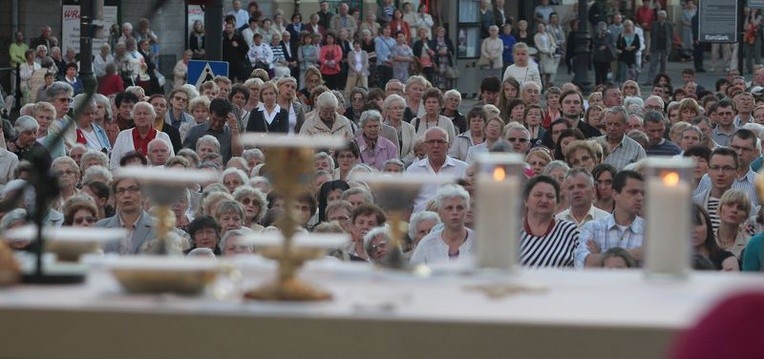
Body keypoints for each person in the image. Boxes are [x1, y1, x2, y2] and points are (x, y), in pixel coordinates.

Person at [575, 170, 645, 268]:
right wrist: (632, 254)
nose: (640, 197)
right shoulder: (593, 228)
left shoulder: (651, 232)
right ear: (615, 194)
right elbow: (582, 264)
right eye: (633, 192)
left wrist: (600, 256)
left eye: (642, 193)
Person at [520, 175, 580, 268]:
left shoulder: (569, 231)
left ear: (557, 203)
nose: (544, 200)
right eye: (538, 195)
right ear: (526, 200)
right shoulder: (511, 231)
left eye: (550, 196)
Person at [406, 127, 469, 212]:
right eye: (431, 142)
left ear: (448, 146)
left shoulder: (463, 168)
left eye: (440, 141)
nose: (436, 145)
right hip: (421, 220)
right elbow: (407, 204)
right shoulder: (413, 170)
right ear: (424, 146)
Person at [410, 185, 474, 265]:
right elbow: (415, 274)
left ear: (466, 211)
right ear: (440, 212)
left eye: (460, 208)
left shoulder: (478, 242)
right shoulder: (426, 244)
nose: (455, 212)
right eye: (449, 208)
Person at [95, 177, 159, 255]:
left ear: (143, 194)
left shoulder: (158, 227)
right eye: (121, 191)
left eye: (132, 189)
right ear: (115, 196)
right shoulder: (100, 228)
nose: (126, 195)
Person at [110, 101, 174, 169]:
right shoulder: (123, 135)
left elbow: (172, 164)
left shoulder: (163, 137)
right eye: (138, 113)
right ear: (133, 117)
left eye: (145, 113)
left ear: (152, 117)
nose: (142, 116)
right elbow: (114, 164)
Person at [183, 98, 243, 164]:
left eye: (221, 122)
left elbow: (238, 155)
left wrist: (234, 129)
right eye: (214, 120)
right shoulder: (194, 131)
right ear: (209, 113)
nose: (217, 124)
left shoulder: (230, 133)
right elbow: (185, 157)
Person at [599, 106, 646, 171]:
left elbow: (643, 174)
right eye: (609, 124)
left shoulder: (636, 149)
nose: (612, 128)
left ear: (626, 125)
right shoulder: (595, 144)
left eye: (617, 124)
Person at [647, 10, 673, 84]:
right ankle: (650, 80)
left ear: (665, 17)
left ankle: (662, 81)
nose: (661, 17)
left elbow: (670, 36)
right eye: (659, 16)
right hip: (656, 46)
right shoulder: (654, 24)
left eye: (662, 16)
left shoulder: (669, 25)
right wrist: (650, 48)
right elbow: (651, 36)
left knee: (663, 65)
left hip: (665, 46)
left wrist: (669, 46)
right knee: (653, 64)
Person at [534, 23, 558, 89]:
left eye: (542, 26)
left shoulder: (548, 35)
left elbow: (553, 44)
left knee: (549, 72)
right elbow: (538, 46)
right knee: (542, 72)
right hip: (542, 55)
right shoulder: (536, 36)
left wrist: (551, 50)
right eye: (539, 27)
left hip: (550, 55)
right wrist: (546, 51)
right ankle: (542, 86)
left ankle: (547, 86)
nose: (541, 28)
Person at [592, 22, 615, 86]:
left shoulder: (609, 35)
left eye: (604, 29)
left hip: (606, 57)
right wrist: (600, 36)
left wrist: (606, 46)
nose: (603, 31)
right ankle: (598, 86)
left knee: (605, 73)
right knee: (598, 74)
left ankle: (604, 86)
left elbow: (612, 44)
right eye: (601, 29)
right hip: (597, 57)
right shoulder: (596, 35)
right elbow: (595, 43)